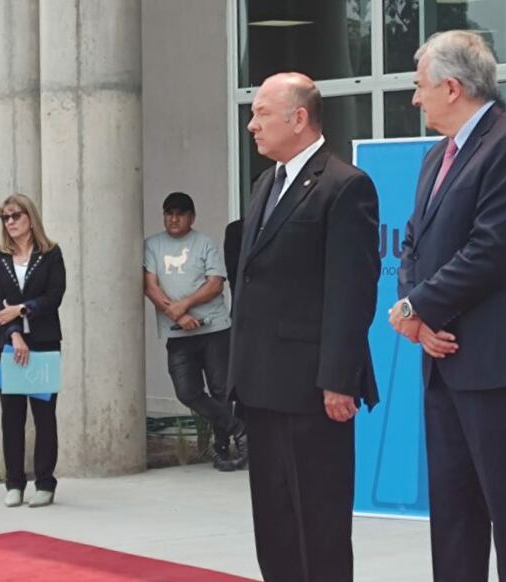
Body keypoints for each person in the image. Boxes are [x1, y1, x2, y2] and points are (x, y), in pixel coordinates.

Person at [389, 31, 506, 582]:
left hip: (497, 364)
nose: (414, 99)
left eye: (420, 87)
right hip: (442, 361)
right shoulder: (436, 157)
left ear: (451, 85)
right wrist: (418, 322)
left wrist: (420, 307)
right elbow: (412, 245)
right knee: (454, 513)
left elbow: (491, 251)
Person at [228, 72, 380, 582]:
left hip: (312, 388)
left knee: (319, 521)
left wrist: (339, 377)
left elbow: (352, 290)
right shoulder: (263, 184)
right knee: (273, 522)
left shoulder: (344, 186)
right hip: (260, 382)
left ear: (298, 118)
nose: (252, 125)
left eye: (261, 113)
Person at [144, 192, 247, 471]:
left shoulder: (204, 244)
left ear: (192, 217)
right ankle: (239, 428)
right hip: (178, 334)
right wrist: (175, 313)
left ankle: (223, 450)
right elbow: (150, 285)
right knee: (187, 392)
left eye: (180, 213)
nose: (173, 218)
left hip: (214, 329)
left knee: (220, 391)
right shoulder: (152, 245)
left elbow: (215, 284)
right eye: (168, 213)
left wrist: (185, 306)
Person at [0, 193, 66, 509]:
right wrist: (15, 334)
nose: (10, 222)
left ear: (30, 218)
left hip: (44, 342)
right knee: (12, 415)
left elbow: (54, 296)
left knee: (44, 415)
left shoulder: (50, 253)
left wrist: (21, 310)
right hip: (8, 345)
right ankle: (14, 483)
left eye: (15, 215)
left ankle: (45, 482)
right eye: (5, 217)